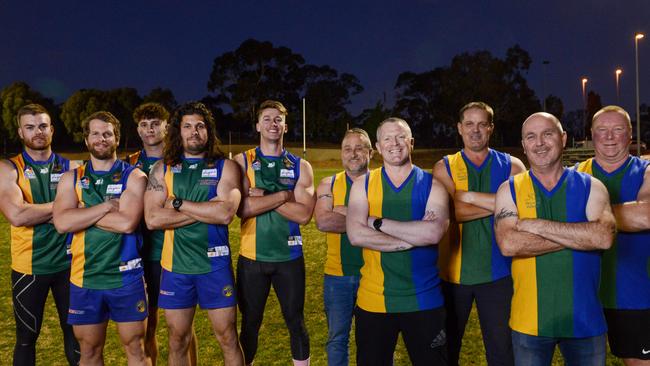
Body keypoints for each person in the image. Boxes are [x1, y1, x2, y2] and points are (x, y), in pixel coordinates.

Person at [494, 112, 616, 365]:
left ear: (562, 138)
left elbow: (603, 237)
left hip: (585, 320)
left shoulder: (591, 186)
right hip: (529, 322)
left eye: (547, 134)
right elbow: (509, 244)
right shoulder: (509, 189)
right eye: (531, 136)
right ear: (524, 145)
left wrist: (535, 225)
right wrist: (579, 234)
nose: (539, 142)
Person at [144, 101, 244, 365]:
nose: (194, 131)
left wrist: (177, 203)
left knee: (228, 337)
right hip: (176, 268)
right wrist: (206, 209)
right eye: (187, 126)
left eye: (200, 126)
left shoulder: (227, 167)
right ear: (179, 132)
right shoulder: (162, 169)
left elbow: (225, 214)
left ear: (209, 132)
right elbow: (153, 218)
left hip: (215, 265)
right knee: (177, 339)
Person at [346, 117, 450, 365]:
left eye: (401, 136)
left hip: (424, 299)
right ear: (378, 147)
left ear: (411, 142)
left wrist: (377, 222)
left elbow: (433, 234)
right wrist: (414, 237)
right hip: (374, 301)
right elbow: (355, 235)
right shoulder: (363, 185)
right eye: (387, 138)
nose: (395, 143)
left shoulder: (433, 185)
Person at [53, 111, 149, 365]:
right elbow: (62, 223)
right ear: (86, 140)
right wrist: (106, 207)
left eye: (107, 133)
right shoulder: (70, 178)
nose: (101, 138)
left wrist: (81, 213)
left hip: (126, 278)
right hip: (85, 278)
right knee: (89, 352)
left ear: (117, 138)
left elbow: (127, 223)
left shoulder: (135, 176)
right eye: (95, 133)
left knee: (137, 350)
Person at [433, 102, 525, 365]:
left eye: (482, 124)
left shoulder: (513, 166)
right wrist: (503, 205)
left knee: (502, 353)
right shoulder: (444, 167)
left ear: (491, 128)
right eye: (469, 124)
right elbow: (450, 213)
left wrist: (470, 197)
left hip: (501, 274)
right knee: (446, 351)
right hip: (452, 274)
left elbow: (525, 209)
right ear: (460, 128)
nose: (476, 130)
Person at [234, 100, 315, 366]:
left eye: (278, 119)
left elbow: (304, 215)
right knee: (250, 324)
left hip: (289, 258)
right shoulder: (241, 161)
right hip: (251, 257)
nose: (273, 124)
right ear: (258, 125)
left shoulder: (300, 165)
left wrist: (267, 196)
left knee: (296, 321)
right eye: (267, 119)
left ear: (286, 126)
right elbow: (242, 208)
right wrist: (284, 196)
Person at [0, 104, 80, 366]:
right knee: (26, 337)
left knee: (76, 334)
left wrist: (38, 210)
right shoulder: (9, 168)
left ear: (52, 130)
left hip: (70, 266)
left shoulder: (72, 167)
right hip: (29, 268)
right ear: (20, 132)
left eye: (43, 126)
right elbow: (17, 216)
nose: (38, 132)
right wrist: (65, 208)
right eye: (30, 127)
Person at [576, 105, 650, 365]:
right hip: (582, 294)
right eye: (602, 130)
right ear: (592, 135)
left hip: (634, 294)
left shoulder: (646, 170)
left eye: (617, 130)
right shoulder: (575, 174)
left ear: (629, 134)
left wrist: (583, 217)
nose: (609, 136)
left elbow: (646, 215)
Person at [129, 102, 198, 365]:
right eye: (144, 124)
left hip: (173, 251)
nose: (150, 129)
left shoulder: (180, 161)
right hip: (138, 254)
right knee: (146, 324)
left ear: (166, 127)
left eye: (155, 123)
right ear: (137, 129)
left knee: (181, 328)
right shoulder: (129, 165)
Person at [314, 128, 373, 366]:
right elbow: (324, 221)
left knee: (375, 340)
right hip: (337, 275)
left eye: (359, 148)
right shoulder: (329, 183)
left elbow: (393, 224)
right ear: (341, 153)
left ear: (370, 152)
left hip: (375, 274)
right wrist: (369, 220)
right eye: (347, 149)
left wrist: (343, 212)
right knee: (337, 339)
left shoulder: (382, 182)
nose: (353, 153)